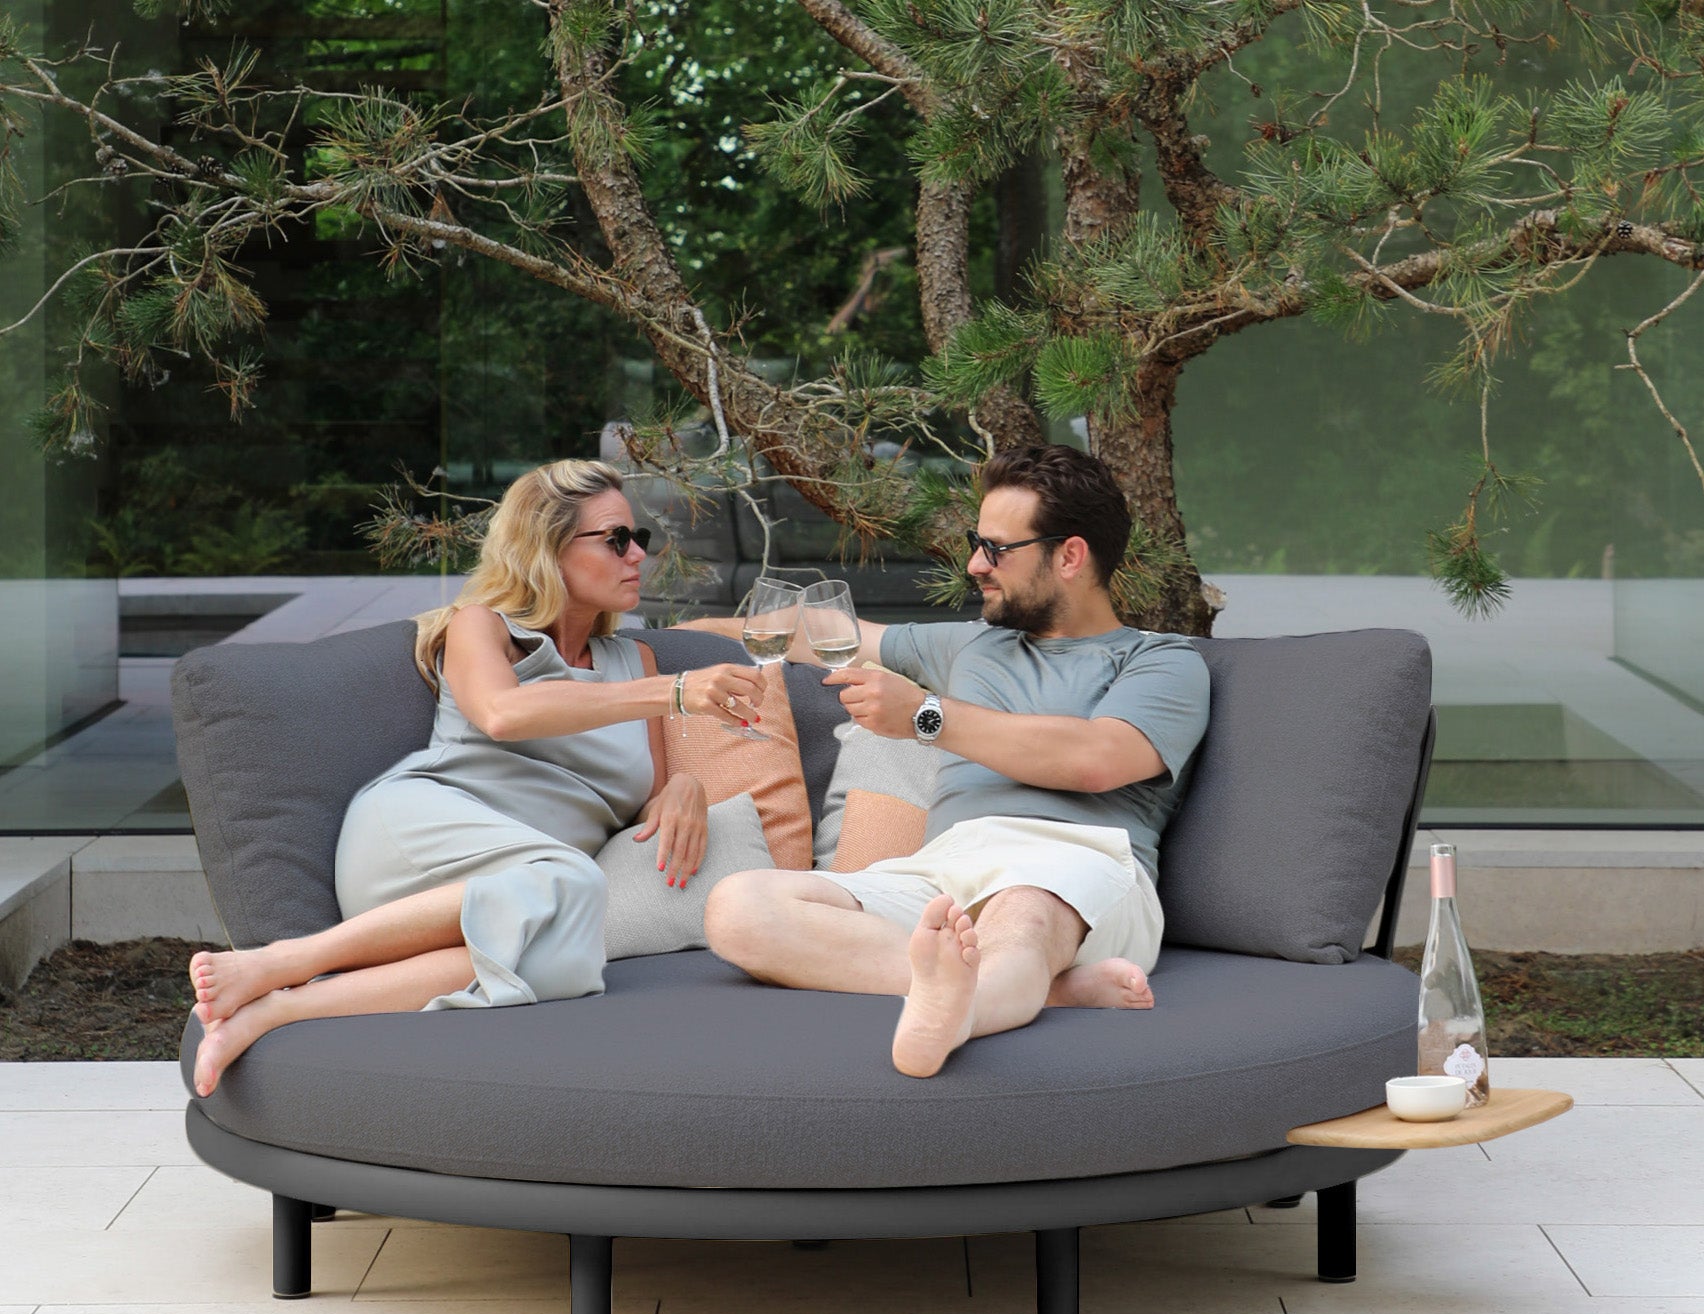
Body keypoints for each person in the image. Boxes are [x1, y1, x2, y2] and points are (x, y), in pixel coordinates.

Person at [186, 458, 766, 1097]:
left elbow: (641, 797)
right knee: (574, 883)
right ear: (547, 548)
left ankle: (277, 1006)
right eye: (616, 539)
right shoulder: (482, 627)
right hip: (423, 838)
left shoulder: (639, 663)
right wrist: (675, 693)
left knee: (566, 955)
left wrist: (686, 787)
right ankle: (291, 958)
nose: (638, 557)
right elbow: (502, 713)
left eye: (640, 539)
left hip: (525, 891)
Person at [703, 444, 1211, 1078]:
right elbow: (818, 632)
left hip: (1077, 864)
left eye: (997, 549)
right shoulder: (968, 643)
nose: (975, 564)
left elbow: (1097, 759)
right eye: (978, 542)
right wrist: (660, 637)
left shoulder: (1162, 661)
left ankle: (958, 1009)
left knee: (1023, 912)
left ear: (1070, 556)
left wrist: (927, 717)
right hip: (941, 869)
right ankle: (1041, 990)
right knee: (740, 907)